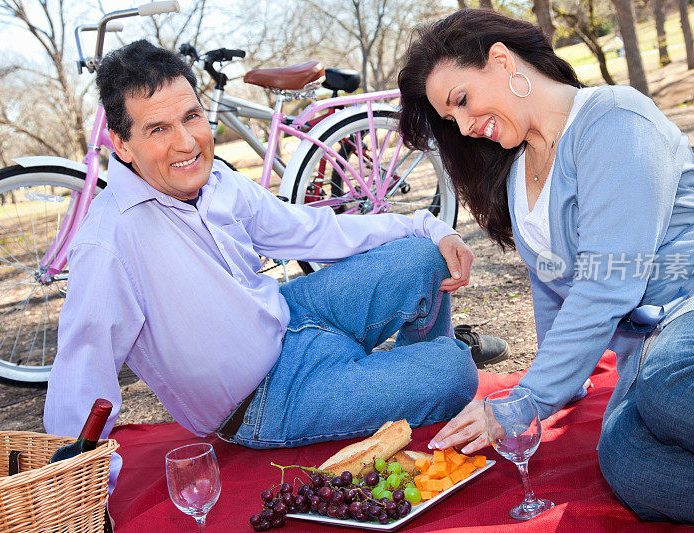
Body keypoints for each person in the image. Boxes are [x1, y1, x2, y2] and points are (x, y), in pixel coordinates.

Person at [43, 39, 510, 492]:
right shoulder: (109, 242)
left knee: (420, 255)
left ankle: (402, 397)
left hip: (294, 317)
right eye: (157, 129)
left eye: (191, 117)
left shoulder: (218, 179)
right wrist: (75, 487)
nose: (186, 142)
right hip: (264, 401)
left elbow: (311, 231)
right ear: (121, 145)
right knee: (455, 370)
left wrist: (427, 225)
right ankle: (412, 376)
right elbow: (83, 367)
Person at [396, 9, 694, 528]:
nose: (465, 125)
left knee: (675, 380)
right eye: (452, 121)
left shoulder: (613, 117)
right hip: (660, 347)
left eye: (461, 100)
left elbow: (611, 280)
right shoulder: (518, 172)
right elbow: (553, 294)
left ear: (500, 60)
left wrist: (528, 399)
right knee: (629, 458)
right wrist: (563, 381)